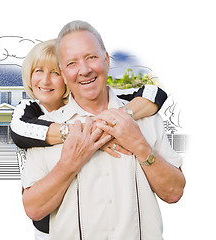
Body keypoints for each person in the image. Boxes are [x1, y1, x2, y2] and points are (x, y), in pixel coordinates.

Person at [21, 20, 185, 239]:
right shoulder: (47, 130)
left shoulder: (147, 119)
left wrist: (139, 145)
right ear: (63, 72)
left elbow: (174, 192)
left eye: (91, 57)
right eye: (72, 63)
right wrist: (69, 163)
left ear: (107, 60)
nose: (85, 70)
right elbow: (33, 209)